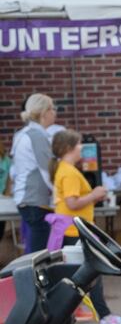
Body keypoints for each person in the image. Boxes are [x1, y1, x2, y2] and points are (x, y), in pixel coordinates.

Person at [51, 130, 121, 324]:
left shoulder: (65, 169)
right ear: (69, 148)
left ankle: (71, 314)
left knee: (81, 274)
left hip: (72, 229)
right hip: (74, 229)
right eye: (80, 145)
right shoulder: (69, 171)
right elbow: (72, 202)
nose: (83, 150)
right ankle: (104, 317)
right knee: (93, 271)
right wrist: (95, 194)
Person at [12, 94, 57, 254]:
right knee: (38, 254)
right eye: (52, 108)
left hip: (27, 198)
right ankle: (29, 280)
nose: (54, 112)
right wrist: (59, 197)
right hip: (35, 200)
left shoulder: (22, 133)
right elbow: (47, 170)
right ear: (43, 112)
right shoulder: (37, 135)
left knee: (35, 249)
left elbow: (15, 170)